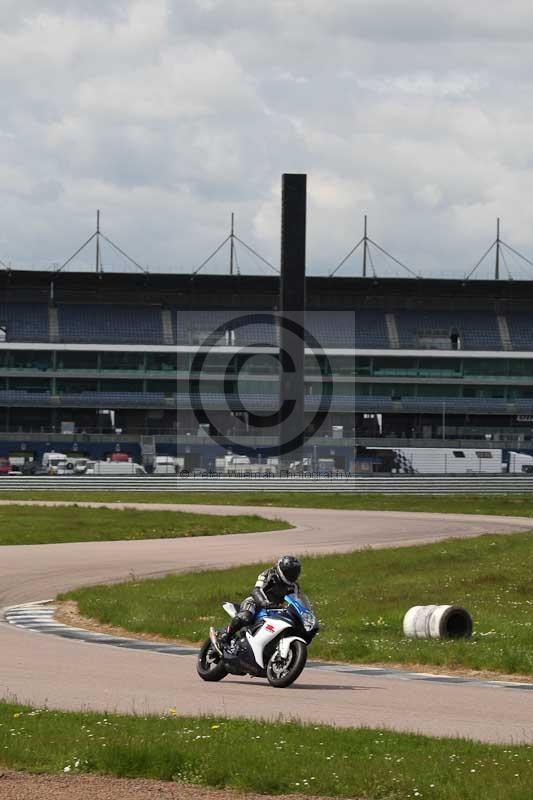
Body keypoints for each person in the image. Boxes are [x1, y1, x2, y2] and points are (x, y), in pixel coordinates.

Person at [210, 555, 301, 654]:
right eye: (290, 572)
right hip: (255, 602)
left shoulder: (294, 586)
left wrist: (299, 612)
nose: (292, 575)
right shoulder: (270, 574)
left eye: (294, 573)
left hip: (275, 609)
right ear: (282, 569)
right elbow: (257, 590)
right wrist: (264, 602)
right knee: (245, 617)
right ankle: (225, 636)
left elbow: (295, 601)